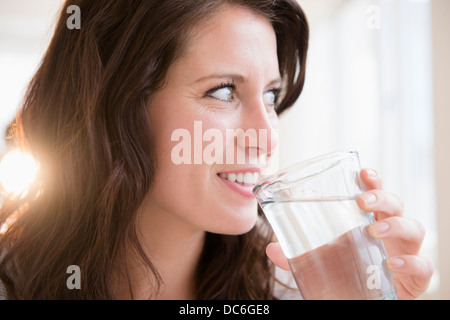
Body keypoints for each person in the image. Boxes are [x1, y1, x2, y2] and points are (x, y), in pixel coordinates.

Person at [0, 0, 432, 300]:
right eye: (223, 91)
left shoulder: (289, 288)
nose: (266, 136)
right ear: (114, 107)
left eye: (270, 95)